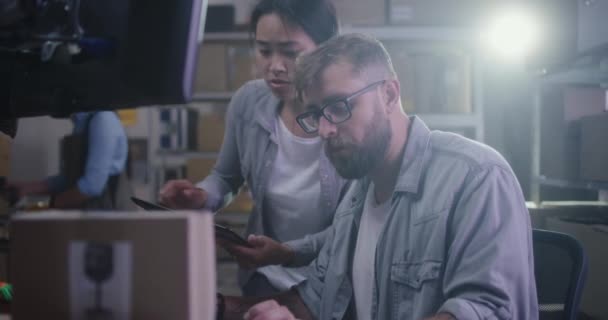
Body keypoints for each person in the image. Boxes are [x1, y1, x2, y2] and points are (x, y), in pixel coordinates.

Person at [218, 33, 538, 320]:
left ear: (388, 95)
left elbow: (485, 311)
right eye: (315, 115)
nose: (326, 130)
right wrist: (218, 309)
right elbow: (312, 301)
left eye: (338, 106)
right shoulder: (355, 201)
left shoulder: (475, 177)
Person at [159, 0, 347, 296]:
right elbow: (226, 177)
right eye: (263, 50)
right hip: (265, 277)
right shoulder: (248, 102)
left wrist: (286, 252)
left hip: (333, 284)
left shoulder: (348, 118)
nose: (274, 66)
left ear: (326, 51)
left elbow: (354, 229)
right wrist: (201, 196)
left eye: (290, 52)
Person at [9, 111, 132, 210]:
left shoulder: (103, 120)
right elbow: (69, 178)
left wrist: (45, 204)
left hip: (108, 220)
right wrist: (27, 188)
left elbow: (92, 186)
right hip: (88, 217)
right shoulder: (82, 123)